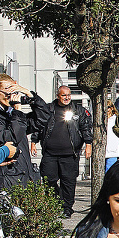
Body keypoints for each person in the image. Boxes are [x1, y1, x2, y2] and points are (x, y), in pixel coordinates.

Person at [31, 85, 93, 217]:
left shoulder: (78, 110)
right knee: (49, 179)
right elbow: (39, 125)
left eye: (69, 95)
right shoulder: (48, 109)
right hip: (50, 153)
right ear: (58, 96)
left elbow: (85, 127)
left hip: (70, 154)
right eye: (64, 95)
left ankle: (67, 208)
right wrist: (33, 141)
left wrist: (88, 144)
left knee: (68, 182)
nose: (67, 98)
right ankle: (55, 203)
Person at [0, 74, 49, 190]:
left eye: (13, 90)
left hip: (26, 176)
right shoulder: (11, 116)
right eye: (7, 90)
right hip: (7, 180)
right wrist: (17, 112)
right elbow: (12, 137)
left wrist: (30, 96)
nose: (11, 95)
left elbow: (43, 119)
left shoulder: (13, 115)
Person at [105, 103, 119, 172]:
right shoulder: (98, 120)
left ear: (112, 108)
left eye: (108, 107)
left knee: (110, 172)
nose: (106, 110)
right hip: (102, 151)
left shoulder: (116, 119)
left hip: (112, 151)